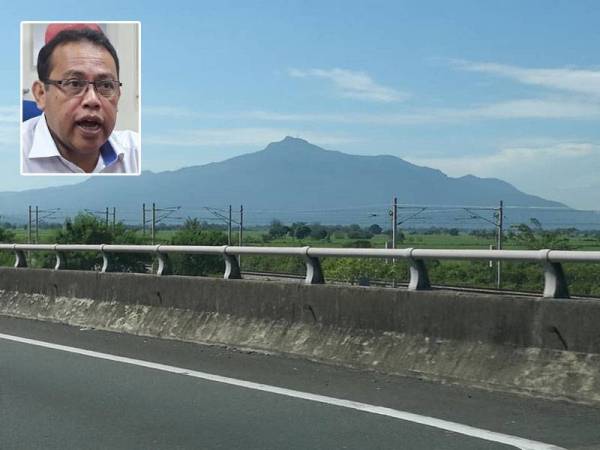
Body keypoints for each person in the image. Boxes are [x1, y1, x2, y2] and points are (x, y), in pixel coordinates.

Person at [22, 24, 140, 174]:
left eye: (105, 85)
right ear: (41, 94)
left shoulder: (136, 153)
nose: (92, 100)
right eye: (74, 84)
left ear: (118, 96)